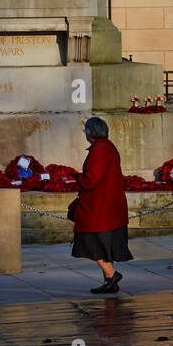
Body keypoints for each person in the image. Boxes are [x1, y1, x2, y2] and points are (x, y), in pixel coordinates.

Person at [68, 115, 132, 294]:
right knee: (105, 245)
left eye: (85, 131)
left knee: (90, 242)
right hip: (110, 206)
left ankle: (112, 275)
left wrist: (76, 178)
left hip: (99, 208)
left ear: (90, 132)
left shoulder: (99, 150)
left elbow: (91, 180)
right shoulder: (108, 147)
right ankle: (109, 282)